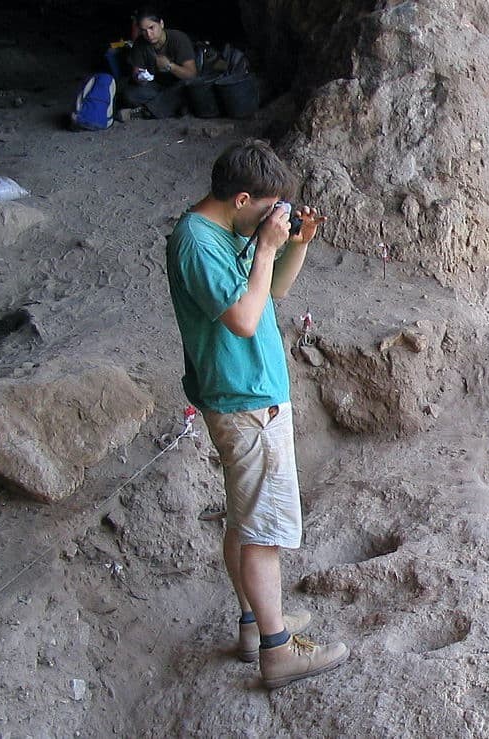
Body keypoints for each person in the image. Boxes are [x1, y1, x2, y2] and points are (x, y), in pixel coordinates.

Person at [165, 139, 347, 689]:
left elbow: (273, 293)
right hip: (243, 402)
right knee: (262, 532)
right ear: (241, 197)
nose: (273, 218)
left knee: (246, 522)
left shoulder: (227, 231)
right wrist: (266, 247)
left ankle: (254, 624)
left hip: (251, 395)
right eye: (267, 208)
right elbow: (244, 320)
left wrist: (295, 246)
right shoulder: (197, 244)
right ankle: (278, 649)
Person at [119, 7, 196, 120]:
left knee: (186, 87)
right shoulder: (140, 44)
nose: (149, 34)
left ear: (161, 24)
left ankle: (145, 112)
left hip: (178, 84)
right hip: (157, 86)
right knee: (128, 94)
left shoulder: (179, 38)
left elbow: (192, 74)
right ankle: (172, 106)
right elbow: (136, 73)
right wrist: (140, 78)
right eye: (144, 30)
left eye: (151, 28)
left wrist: (170, 66)